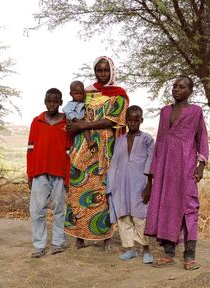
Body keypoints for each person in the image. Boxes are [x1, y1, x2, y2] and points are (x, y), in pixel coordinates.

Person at [64, 56, 129, 251]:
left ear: (112, 71)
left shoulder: (119, 95)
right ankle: (79, 235)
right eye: (99, 70)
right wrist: (78, 125)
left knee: (103, 189)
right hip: (82, 145)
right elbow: (75, 112)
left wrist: (85, 124)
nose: (102, 74)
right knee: (78, 187)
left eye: (105, 70)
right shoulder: (87, 92)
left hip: (105, 147)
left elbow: (113, 120)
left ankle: (105, 236)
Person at [144, 76, 209, 270]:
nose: (177, 89)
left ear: (190, 91)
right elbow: (160, 141)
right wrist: (152, 173)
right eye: (174, 86)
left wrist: (201, 165)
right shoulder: (165, 112)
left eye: (182, 87)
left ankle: (190, 255)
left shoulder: (196, 112)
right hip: (165, 168)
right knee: (166, 207)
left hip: (186, 165)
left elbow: (202, 138)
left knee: (189, 208)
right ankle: (169, 252)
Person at [27, 88, 70, 258]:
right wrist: (30, 174)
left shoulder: (67, 124)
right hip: (40, 172)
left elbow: (69, 152)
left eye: (56, 101)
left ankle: (58, 243)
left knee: (60, 210)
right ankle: (39, 245)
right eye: (49, 101)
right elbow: (30, 149)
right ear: (45, 101)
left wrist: (68, 177)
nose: (52, 104)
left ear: (61, 103)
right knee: (37, 210)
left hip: (60, 172)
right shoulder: (36, 122)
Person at [107, 105, 154, 264]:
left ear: (141, 120)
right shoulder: (119, 141)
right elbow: (114, 164)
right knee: (124, 217)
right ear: (125, 121)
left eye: (136, 120)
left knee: (141, 218)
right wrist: (111, 186)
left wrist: (149, 186)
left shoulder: (147, 139)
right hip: (120, 186)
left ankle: (146, 249)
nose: (133, 123)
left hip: (139, 185)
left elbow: (151, 162)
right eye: (130, 120)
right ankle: (130, 249)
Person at [62, 81, 95, 151]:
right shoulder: (69, 104)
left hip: (81, 121)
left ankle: (89, 142)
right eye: (76, 94)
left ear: (84, 93)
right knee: (83, 127)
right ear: (71, 94)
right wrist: (75, 119)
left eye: (81, 93)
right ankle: (88, 142)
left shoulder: (84, 102)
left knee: (85, 126)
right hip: (73, 121)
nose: (79, 95)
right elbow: (68, 112)